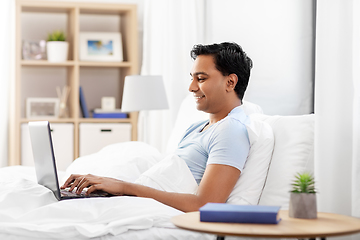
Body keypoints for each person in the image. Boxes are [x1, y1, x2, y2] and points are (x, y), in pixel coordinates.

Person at [61, 42, 253, 212]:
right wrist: (114, 187)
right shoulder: (197, 127)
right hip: (140, 201)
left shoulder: (230, 130)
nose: (191, 87)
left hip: (150, 208)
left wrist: (125, 188)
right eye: (192, 78)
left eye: (201, 79)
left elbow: (204, 205)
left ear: (230, 82)